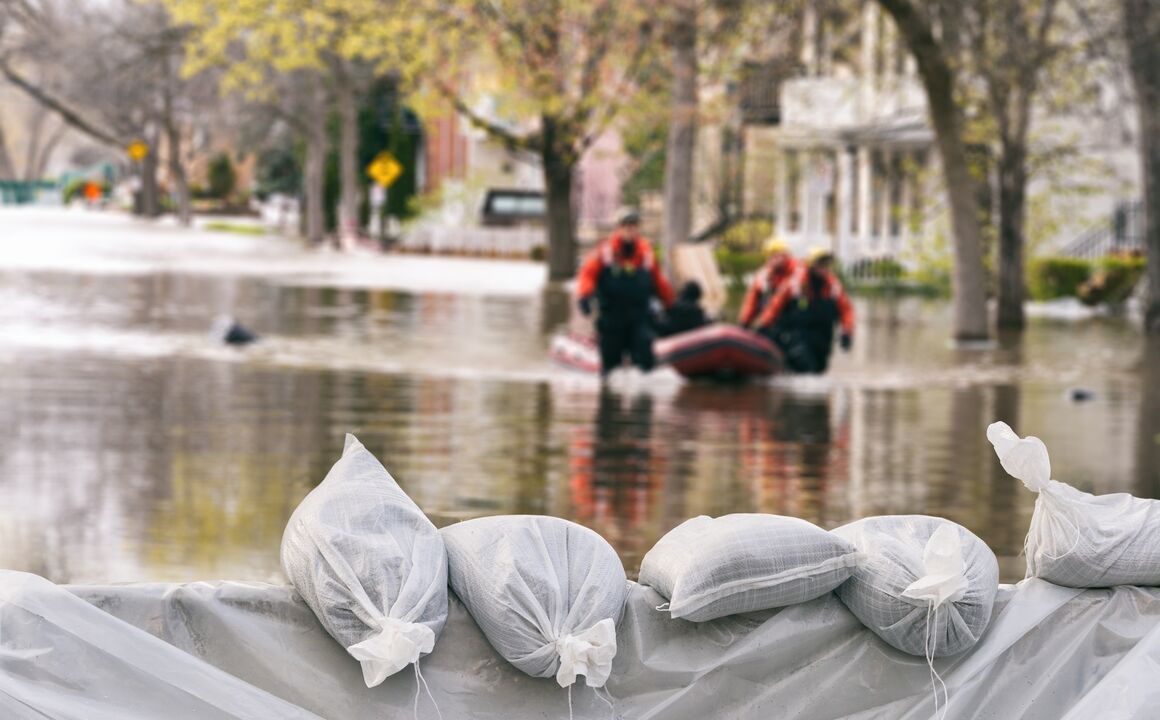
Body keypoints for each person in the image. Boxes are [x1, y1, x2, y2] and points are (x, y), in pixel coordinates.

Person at [576, 210, 675, 375]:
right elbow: (587, 274)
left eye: (634, 226)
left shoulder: (645, 253)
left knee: (645, 361)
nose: (631, 230)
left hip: (639, 317)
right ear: (619, 229)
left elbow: (658, 281)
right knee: (610, 368)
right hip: (612, 317)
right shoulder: (605, 252)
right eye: (627, 226)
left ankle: (643, 397)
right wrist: (585, 296)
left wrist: (670, 304)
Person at [755, 248, 853, 374]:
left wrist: (847, 332)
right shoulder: (795, 283)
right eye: (820, 264)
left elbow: (846, 310)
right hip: (798, 336)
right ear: (811, 265)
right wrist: (764, 325)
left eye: (826, 264)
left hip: (823, 338)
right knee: (805, 367)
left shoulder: (833, 286)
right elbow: (775, 306)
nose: (824, 268)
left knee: (819, 370)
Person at [739, 237, 799, 328]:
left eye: (779, 255)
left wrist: (764, 322)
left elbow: (780, 297)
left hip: (789, 320)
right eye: (772, 255)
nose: (776, 259)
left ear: (786, 255)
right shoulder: (764, 274)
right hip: (771, 321)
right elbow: (751, 299)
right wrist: (745, 322)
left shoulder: (796, 272)